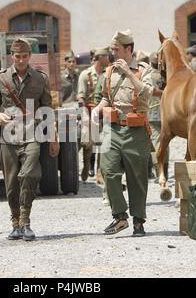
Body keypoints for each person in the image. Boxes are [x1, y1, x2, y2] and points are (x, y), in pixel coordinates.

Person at [0, 38, 59, 241]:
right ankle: (15, 223)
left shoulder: (39, 78)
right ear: (12, 56)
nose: (20, 60)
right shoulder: (1, 78)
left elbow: (47, 109)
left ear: (30, 56)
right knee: (11, 183)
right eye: (17, 56)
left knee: (30, 174)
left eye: (24, 56)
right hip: (9, 133)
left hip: (32, 132)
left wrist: (54, 138)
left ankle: (26, 222)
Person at [91, 29, 153, 237]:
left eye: (116, 49)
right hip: (113, 129)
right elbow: (105, 98)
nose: (113, 53)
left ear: (129, 49)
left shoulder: (144, 70)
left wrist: (128, 72)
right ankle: (120, 216)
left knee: (137, 178)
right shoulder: (109, 72)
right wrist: (97, 109)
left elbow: (146, 93)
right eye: (111, 49)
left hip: (136, 131)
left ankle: (138, 222)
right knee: (107, 171)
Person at [77, 47, 110, 182]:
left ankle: (99, 172)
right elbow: (80, 97)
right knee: (88, 144)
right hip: (90, 113)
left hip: (104, 113)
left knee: (103, 143)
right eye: (106, 57)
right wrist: (84, 114)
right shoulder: (86, 75)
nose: (109, 59)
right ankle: (86, 165)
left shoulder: (107, 74)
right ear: (101, 58)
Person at [147, 52, 169, 182]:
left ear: (150, 63)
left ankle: (159, 171)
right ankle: (164, 171)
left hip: (151, 112)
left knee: (155, 143)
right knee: (166, 143)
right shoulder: (165, 76)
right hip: (165, 112)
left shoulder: (147, 76)